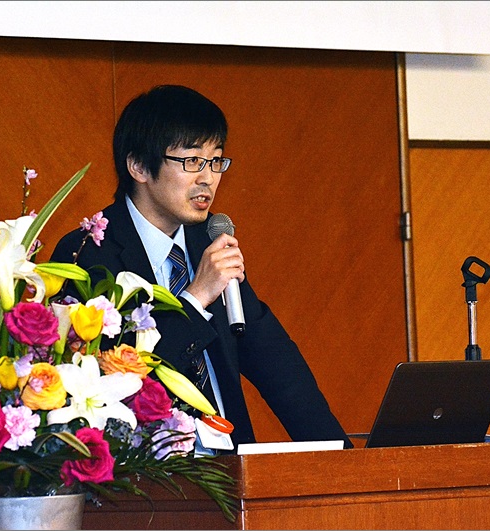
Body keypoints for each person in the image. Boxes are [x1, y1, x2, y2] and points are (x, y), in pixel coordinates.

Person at [51, 84, 352, 451]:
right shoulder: (88, 253)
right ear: (139, 166)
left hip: (229, 468)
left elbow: (278, 365)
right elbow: (115, 378)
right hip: (144, 469)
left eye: (216, 161)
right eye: (192, 161)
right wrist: (195, 299)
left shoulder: (207, 243)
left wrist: (343, 459)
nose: (208, 177)